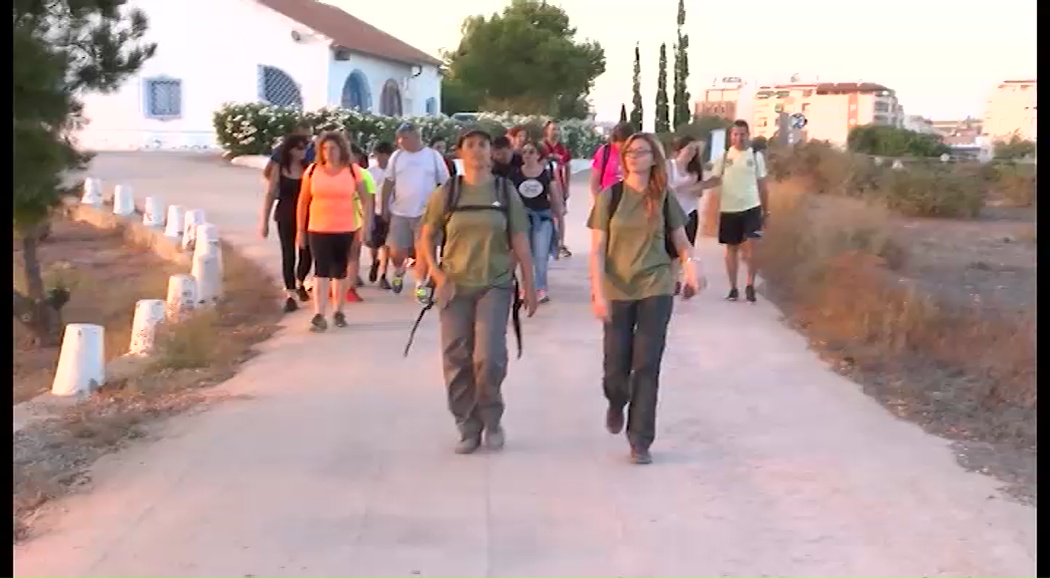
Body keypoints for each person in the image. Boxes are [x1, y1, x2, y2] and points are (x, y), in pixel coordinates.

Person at [587, 132, 705, 465]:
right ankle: (616, 400)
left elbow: (681, 242)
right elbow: (597, 250)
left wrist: (692, 266)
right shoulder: (610, 198)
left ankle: (640, 440)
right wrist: (598, 292)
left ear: (654, 158)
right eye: (629, 152)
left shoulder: (663, 197)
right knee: (615, 368)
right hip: (617, 289)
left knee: (647, 364)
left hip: (656, 285)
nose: (634, 157)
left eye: (641, 152)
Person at [418, 128, 538, 455]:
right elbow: (427, 237)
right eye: (469, 145)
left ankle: (492, 418)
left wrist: (529, 283)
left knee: (489, 357)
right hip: (454, 285)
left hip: (495, 283)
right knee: (457, 358)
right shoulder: (448, 192)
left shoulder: (505, 190)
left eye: (482, 145)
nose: (477, 150)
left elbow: (520, 240)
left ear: (491, 152)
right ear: (460, 153)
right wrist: (436, 273)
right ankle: (467, 426)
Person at [296, 132, 372, 332]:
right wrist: (300, 231)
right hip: (318, 227)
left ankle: (338, 310)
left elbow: (366, 200)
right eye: (325, 148)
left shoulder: (352, 171)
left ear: (341, 150)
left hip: (345, 227)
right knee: (321, 271)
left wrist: (366, 226)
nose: (329, 152)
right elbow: (303, 202)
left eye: (333, 148)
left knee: (339, 271)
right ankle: (318, 314)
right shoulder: (312, 171)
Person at [700, 119, 769, 303]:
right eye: (735, 134)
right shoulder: (724, 157)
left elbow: (763, 185)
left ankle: (750, 285)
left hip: (752, 207)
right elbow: (715, 179)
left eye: (742, 134)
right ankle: (733, 288)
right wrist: (696, 186)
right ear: (731, 136)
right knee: (731, 249)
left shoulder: (755, 156)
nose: (739, 138)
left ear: (748, 135)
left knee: (752, 248)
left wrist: (765, 210)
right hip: (729, 209)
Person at [381, 122, 451, 298]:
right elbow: (389, 182)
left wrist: (444, 208)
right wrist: (384, 206)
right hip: (400, 212)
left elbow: (445, 183)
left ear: (415, 137)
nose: (400, 142)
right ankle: (399, 270)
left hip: (426, 213)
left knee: (424, 251)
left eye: (404, 138)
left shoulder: (433, 157)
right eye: (399, 138)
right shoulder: (397, 157)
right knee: (396, 252)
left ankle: (420, 285)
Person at [259, 133, 312, 312]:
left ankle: (300, 281)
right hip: (285, 214)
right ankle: (290, 294)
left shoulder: (309, 169)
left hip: (307, 214)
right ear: (290, 150)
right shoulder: (280, 168)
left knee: (307, 252)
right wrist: (264, 222)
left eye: (305, 147)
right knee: (288, 253)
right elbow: (270, 194)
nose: (303, 151)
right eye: (299, 148)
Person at [510, 140, 565, 304]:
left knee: (541, 255)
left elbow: (555, 200)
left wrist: (560, 222)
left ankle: (540, 287)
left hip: (542, 219)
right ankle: (526, 287)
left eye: (531, 152)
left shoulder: (546, 174)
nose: (527, 155)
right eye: (524, 152)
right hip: (522, 220)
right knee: (524, 255)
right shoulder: (515, 175)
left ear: (539, 155)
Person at [666, 135, 707, 293]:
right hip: (672, 213)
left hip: (690, 213)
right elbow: (666, 189)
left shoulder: (695, 171)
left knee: (686, 248)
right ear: (680, 149)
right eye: (689, 149)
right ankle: (674, 280)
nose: (692, 153)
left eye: (695, 151)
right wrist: (679, 189)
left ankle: (687, 280)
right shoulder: (669, 166)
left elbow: (700, 193)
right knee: (671, 251)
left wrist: (692, 188)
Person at [343, 142, 376, 302]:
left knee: (353, 254)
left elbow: (370, 200)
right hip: (334, 220)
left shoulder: (364, 175)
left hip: (357, 219)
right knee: (336, 256)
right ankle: (333, 285)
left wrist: (368, 224)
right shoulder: (335, 174)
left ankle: (350, 287)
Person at [540, 121, 574, 258]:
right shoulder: (541, 147)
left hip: (559, 186)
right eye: (553, 129)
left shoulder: (563, 149)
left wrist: (566, 187)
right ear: (546, 131)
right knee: (547, 215)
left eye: (558, 129)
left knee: (559, 215)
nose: (556, 132)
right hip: (544, 185)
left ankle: (560, 243)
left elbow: (568, 168)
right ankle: (547, 243)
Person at [366, 141, 394, 289]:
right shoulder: (371, 172)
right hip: (374, 210)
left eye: (385, 155)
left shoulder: (393, 172)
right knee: (374, 244)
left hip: (391, 210)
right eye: (379, 155)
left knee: (387, 244)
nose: (382, 158)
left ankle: (384, 274)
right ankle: (374, 261)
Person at [589, 122, 636, 204]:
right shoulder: (604, 152)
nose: (624, 149)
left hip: (629, 201)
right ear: (613, 141)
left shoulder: (637, 153)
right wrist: (598, 204)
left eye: (627, 145)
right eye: (621, 146)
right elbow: (594, 183)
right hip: (608, 200)